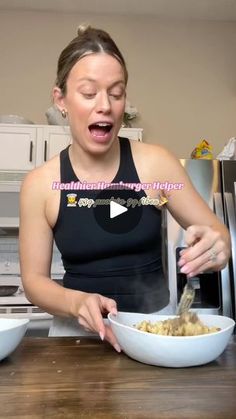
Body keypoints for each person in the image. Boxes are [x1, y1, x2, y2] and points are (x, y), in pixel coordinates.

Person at [19, 25, 231, 352]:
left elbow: (217, 232)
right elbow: (34, 282)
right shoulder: (39, 185)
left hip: (155, 329)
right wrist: (76, 303)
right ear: (60, 100)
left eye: (116, 93)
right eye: (89, 93)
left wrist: (219, 247)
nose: (105, 105)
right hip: (76, 337)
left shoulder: (157, 164)